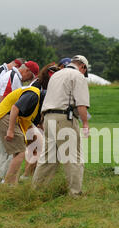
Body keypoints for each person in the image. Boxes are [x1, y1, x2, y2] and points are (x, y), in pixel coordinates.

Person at [32, 55, 90, 196]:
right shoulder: (77, 76)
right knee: (73, 157)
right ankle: (75, 193)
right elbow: (81, 104)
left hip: (47, 117)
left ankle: (36, 192)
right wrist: (85, 123)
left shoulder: (56, 75)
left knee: (48, 158)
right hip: (64, 118)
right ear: (82, 67)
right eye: (84, 71)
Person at [0, 63, 56, 184]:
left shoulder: (38, 106)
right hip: (4, 116)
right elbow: (15, 109)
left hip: (17, 120)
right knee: (20, 152)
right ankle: (8, 183)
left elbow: (38, 123)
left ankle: (27, 177)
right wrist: (10, 130)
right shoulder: (34, 95)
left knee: (39, 143)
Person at [0, 61, 40, 180]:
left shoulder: (14, 77)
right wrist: (10, 127)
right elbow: (4, 98)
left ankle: (6, 180)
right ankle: (4, 180)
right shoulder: (12, 76)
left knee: (10, 151)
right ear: (27, 71)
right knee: (9, 152)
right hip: (5, 116)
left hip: (5, 116)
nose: (29, 80)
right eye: (31, 76)